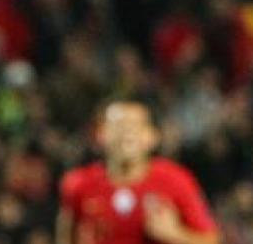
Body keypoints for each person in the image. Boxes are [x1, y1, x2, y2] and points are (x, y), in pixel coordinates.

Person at [56, 99, 219, 244]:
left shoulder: (176, 180)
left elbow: (211, 239)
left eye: (135, 126)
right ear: (101, 135)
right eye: (118, 126)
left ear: (151, 137)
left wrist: (176, 235)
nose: (127, 132)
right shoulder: (78, 183)